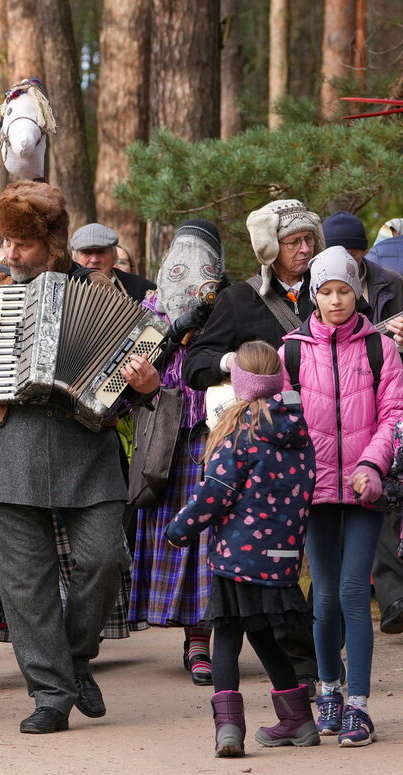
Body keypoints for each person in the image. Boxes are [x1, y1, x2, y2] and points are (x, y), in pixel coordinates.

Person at [0, 180, 161, 734]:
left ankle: (74, 659)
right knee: (26, 582)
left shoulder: (99, 288)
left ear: (52, 244)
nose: (9, 253)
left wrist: (145, 385)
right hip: (5, 446)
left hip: (86, 448)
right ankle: (51, 694)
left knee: (105, 558)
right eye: (4, 240)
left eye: (22, 244)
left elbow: (130, 381)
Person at [182, 198, 324, 693]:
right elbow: (195, 364)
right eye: (293, 242)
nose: (304, 249)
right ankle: (302, 671)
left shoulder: (331, 293)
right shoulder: (240, 300)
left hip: (328, 447)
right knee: (281, 561)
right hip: (268, 453)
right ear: (270, 248)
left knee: (325, 563)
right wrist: (233, 363)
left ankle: (320, 663)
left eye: (309, 240)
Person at [165, 340, 318, 758]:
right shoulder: (300, 433)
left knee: (228, 640)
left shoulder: (239, 432)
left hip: (236, 557)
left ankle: (229, 729)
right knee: (265, 636)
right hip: (281, 557)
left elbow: (215, 493)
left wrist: (179, 530)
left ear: (240, 382)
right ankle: (299, 721)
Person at [281, 247, 403, 747]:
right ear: (314, 295)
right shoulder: (291, 351)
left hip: (364, 490)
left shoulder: (380, 349)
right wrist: (297, 475)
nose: (336, 300)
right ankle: (328, 691)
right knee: (325, 595)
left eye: (344, 291)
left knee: (354, 591)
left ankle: (359, 705)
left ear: (357, 292)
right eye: (326, 292)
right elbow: (283, 423)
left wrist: (372, 465)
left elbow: (394, 414)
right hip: (314, 492)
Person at [128, 220, 227, 687]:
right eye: (180, 257)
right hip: (165, 439)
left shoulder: (231, 306)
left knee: (211, 543)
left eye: (202, 259)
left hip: (216, 435)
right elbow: (124, 378)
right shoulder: (150, 311)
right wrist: (171, 336)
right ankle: (192, 635)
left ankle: (204, 640)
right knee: (179, 540)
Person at [69, 223, 155, 302]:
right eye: (87, 252)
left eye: (101, 252)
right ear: (75, 257)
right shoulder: (65, 284)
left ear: (113, 256)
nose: (94, 260)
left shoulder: (142, 288)